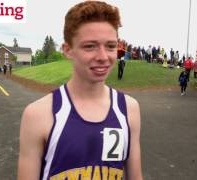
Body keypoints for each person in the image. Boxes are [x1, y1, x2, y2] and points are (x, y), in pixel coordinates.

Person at [17, 1, 143, 180]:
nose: (103, 57)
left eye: (110, 46)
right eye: (90, 46)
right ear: (68, 50)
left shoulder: (129, 109)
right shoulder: (37, 115)